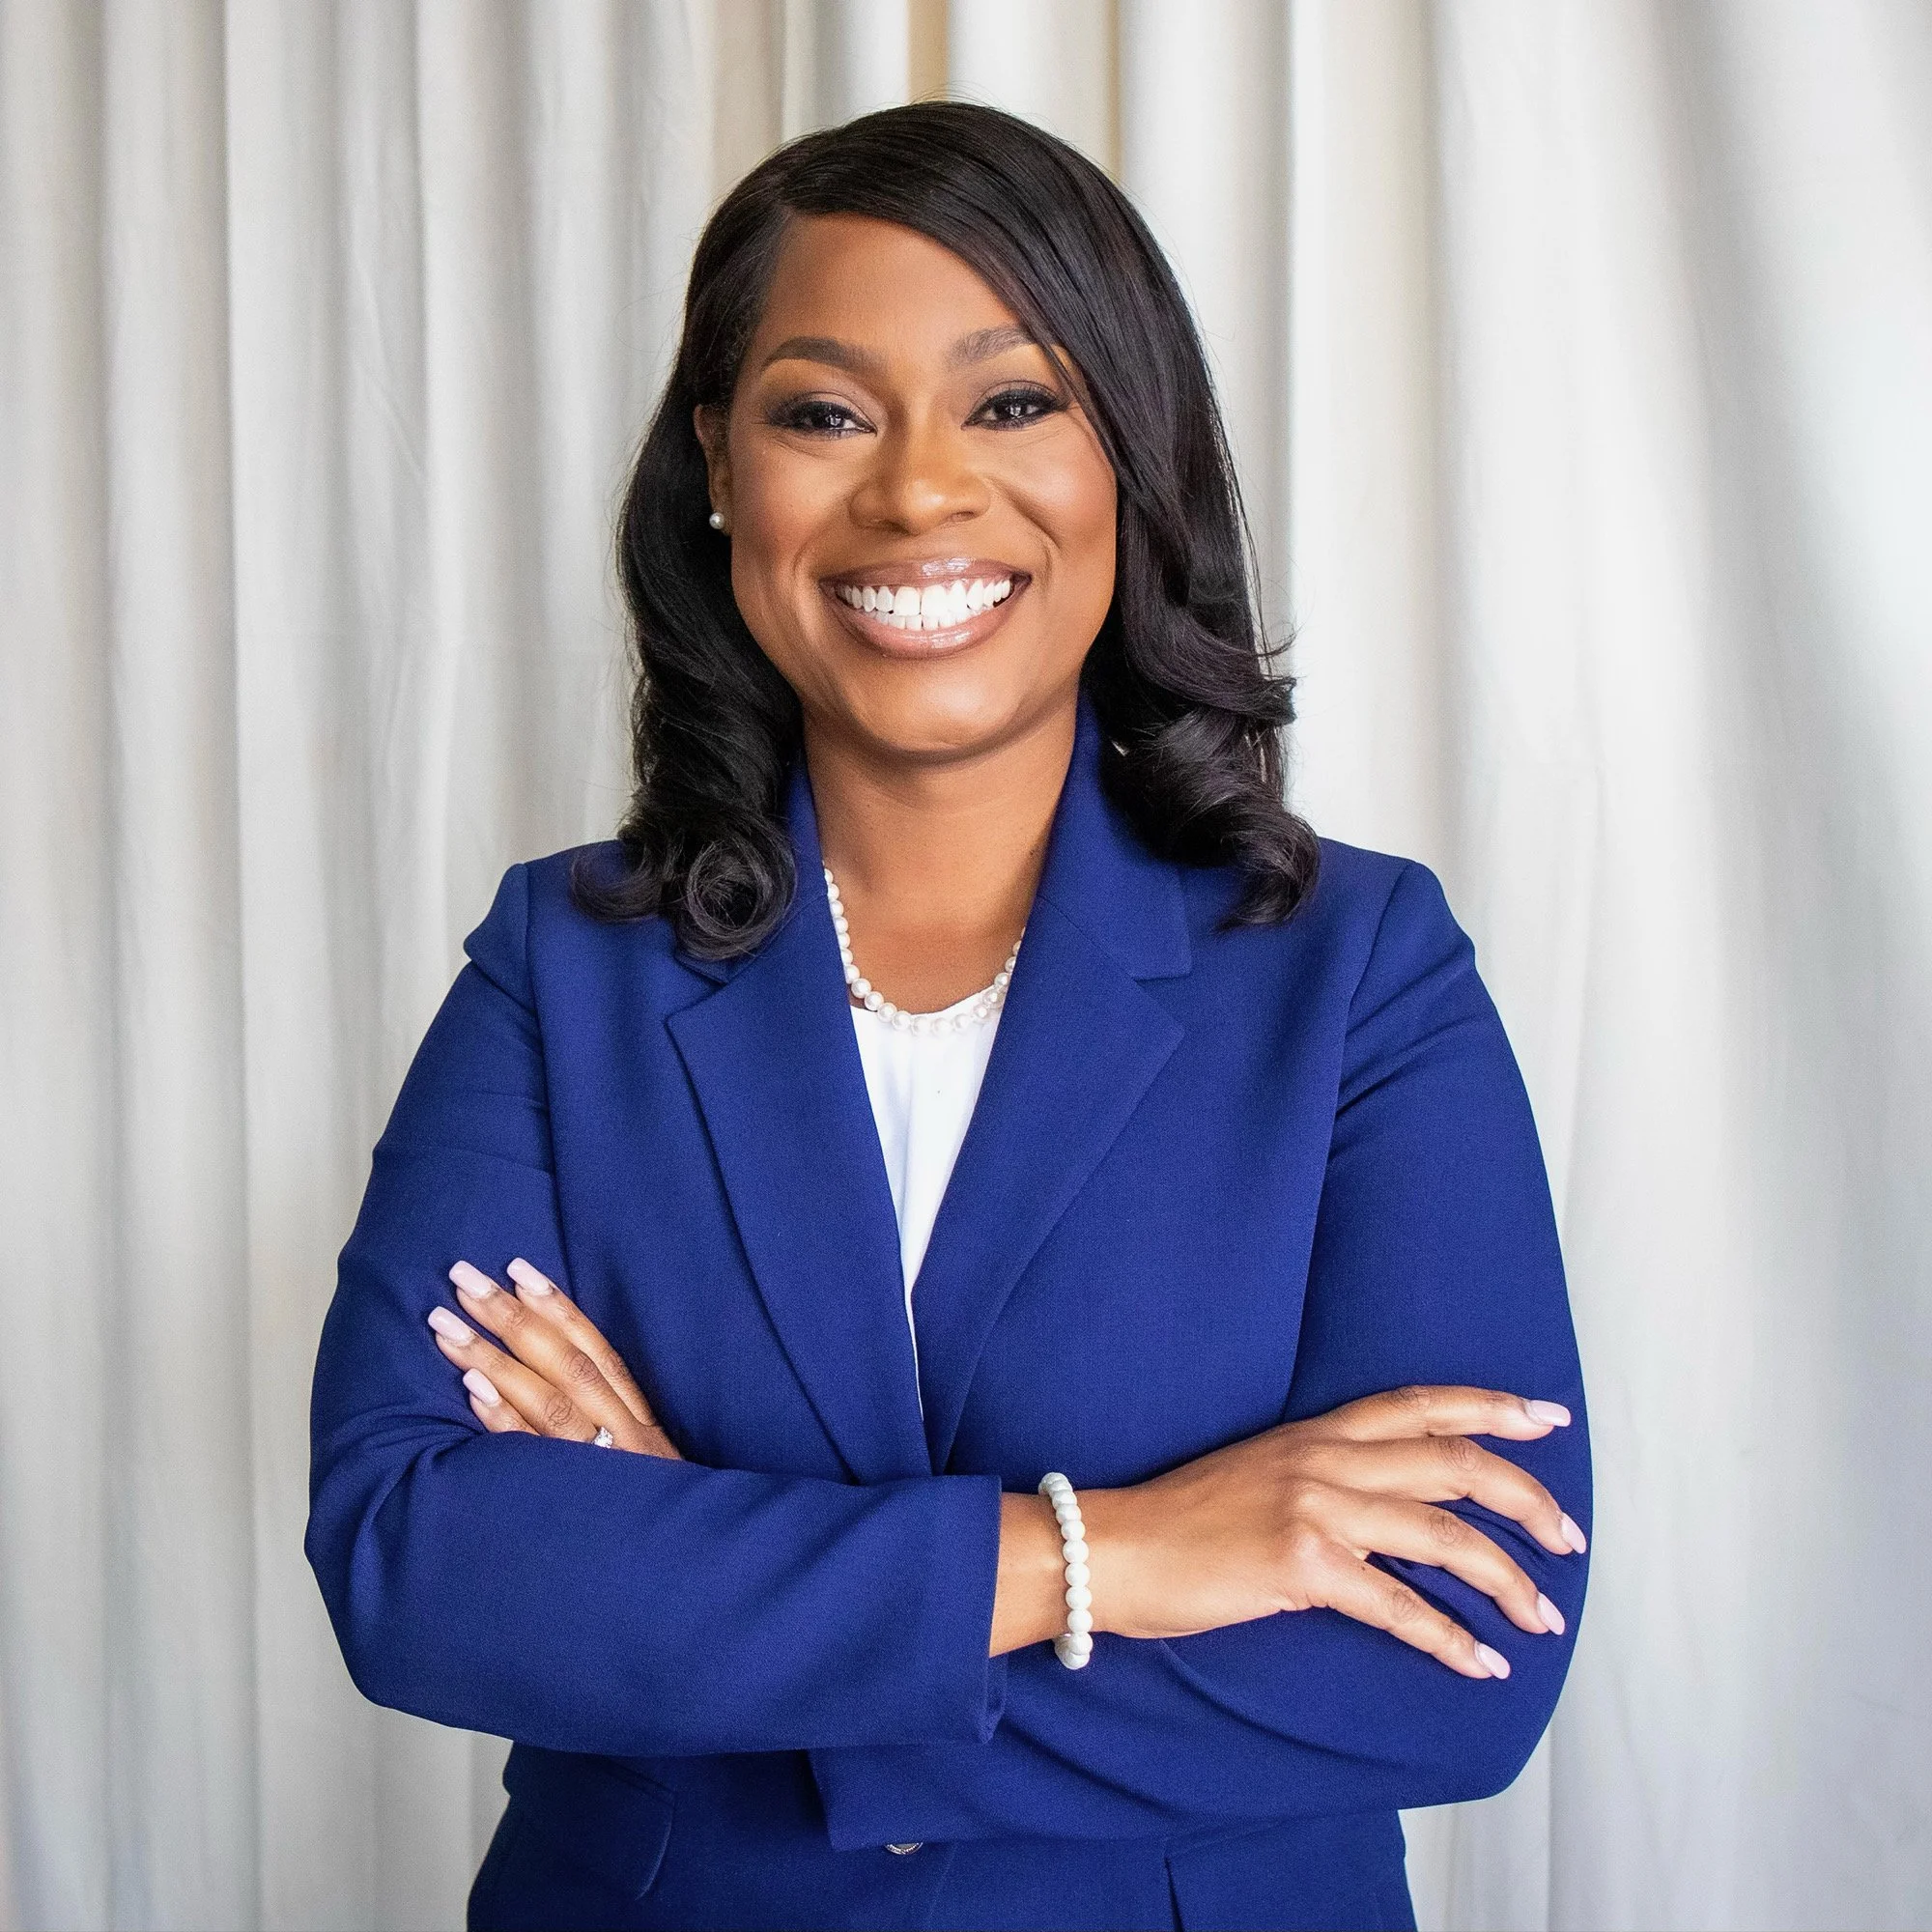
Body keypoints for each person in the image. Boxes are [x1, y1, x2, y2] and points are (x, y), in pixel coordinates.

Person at [307, 102, 1590, 1932]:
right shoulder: (566, 965)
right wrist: (1114, 1556)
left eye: (1013, 403)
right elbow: (416, 1561)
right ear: (718, 471)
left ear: (1127, 462)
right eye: (824, 412)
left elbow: (1457, 1655)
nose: (916, 491)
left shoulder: (1357, 972)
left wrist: (714, 1597)